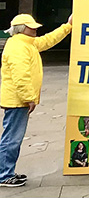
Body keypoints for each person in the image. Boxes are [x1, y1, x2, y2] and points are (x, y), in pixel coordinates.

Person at [0, 14, 73, 187]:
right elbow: (21, 76)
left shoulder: (25, 43)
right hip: (17, 101)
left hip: (17, 100)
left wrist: (67, 26)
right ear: (22, 29)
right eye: (31, 27)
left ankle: (7, 172)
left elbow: (48, 40)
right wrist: (29, 98)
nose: (35, 29)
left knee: (12, 137)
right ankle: (4, 175)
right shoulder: (19, 47)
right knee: (12, 139)